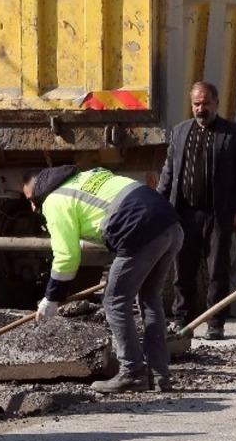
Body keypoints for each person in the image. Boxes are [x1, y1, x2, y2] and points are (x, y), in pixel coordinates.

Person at [24, 165, 184, 394]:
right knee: (149, 298)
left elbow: (67, 257)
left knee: (114, 301)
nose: (32, 207)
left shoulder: (54, 201)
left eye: (31, 200)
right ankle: (160, 375)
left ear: (40, 192)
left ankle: (132, 373)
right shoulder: (85, 177)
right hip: (170, 223)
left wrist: (51, 298)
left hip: (141, 229)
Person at [156, 82, 236, 341]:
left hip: (218, 214)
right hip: (184, 213)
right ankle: (181, 319)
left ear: (216, 103)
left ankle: (215, 322)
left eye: (205, 103)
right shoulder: (179, 132)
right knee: (182, 268)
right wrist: (156, 204)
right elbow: (169, 173)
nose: (201, 109)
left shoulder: (233, 134)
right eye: (196, 104)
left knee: (217, 270)